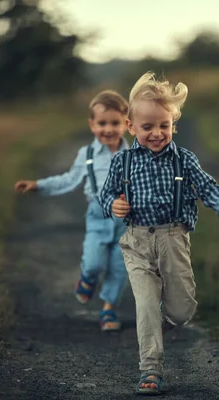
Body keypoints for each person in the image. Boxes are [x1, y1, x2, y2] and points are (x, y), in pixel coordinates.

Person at [99, 72, 219, 395]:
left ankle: (159, 323)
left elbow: (207, 188)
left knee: (182, 311)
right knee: (147, 304)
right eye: (147, 126)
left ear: (172, 126)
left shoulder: (184, 161)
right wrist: (114, 205)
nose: (156, 133)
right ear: (131, 126)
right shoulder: (122, 162)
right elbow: (105, 194)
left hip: (173, 240)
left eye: (163, 126)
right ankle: (150, 370)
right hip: (136, 242)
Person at [14, 90, 130, 332]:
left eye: (115, 123)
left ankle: (109, 309)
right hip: (98, 217)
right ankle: (87, 279)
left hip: (127, 222)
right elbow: (69, 179)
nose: (108, 129)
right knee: (93, 264)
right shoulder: (86, 155)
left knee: (120, 268)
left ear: (126, 124)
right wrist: (38, 185)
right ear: (91, 124)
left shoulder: (134, 155)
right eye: (102, 123)